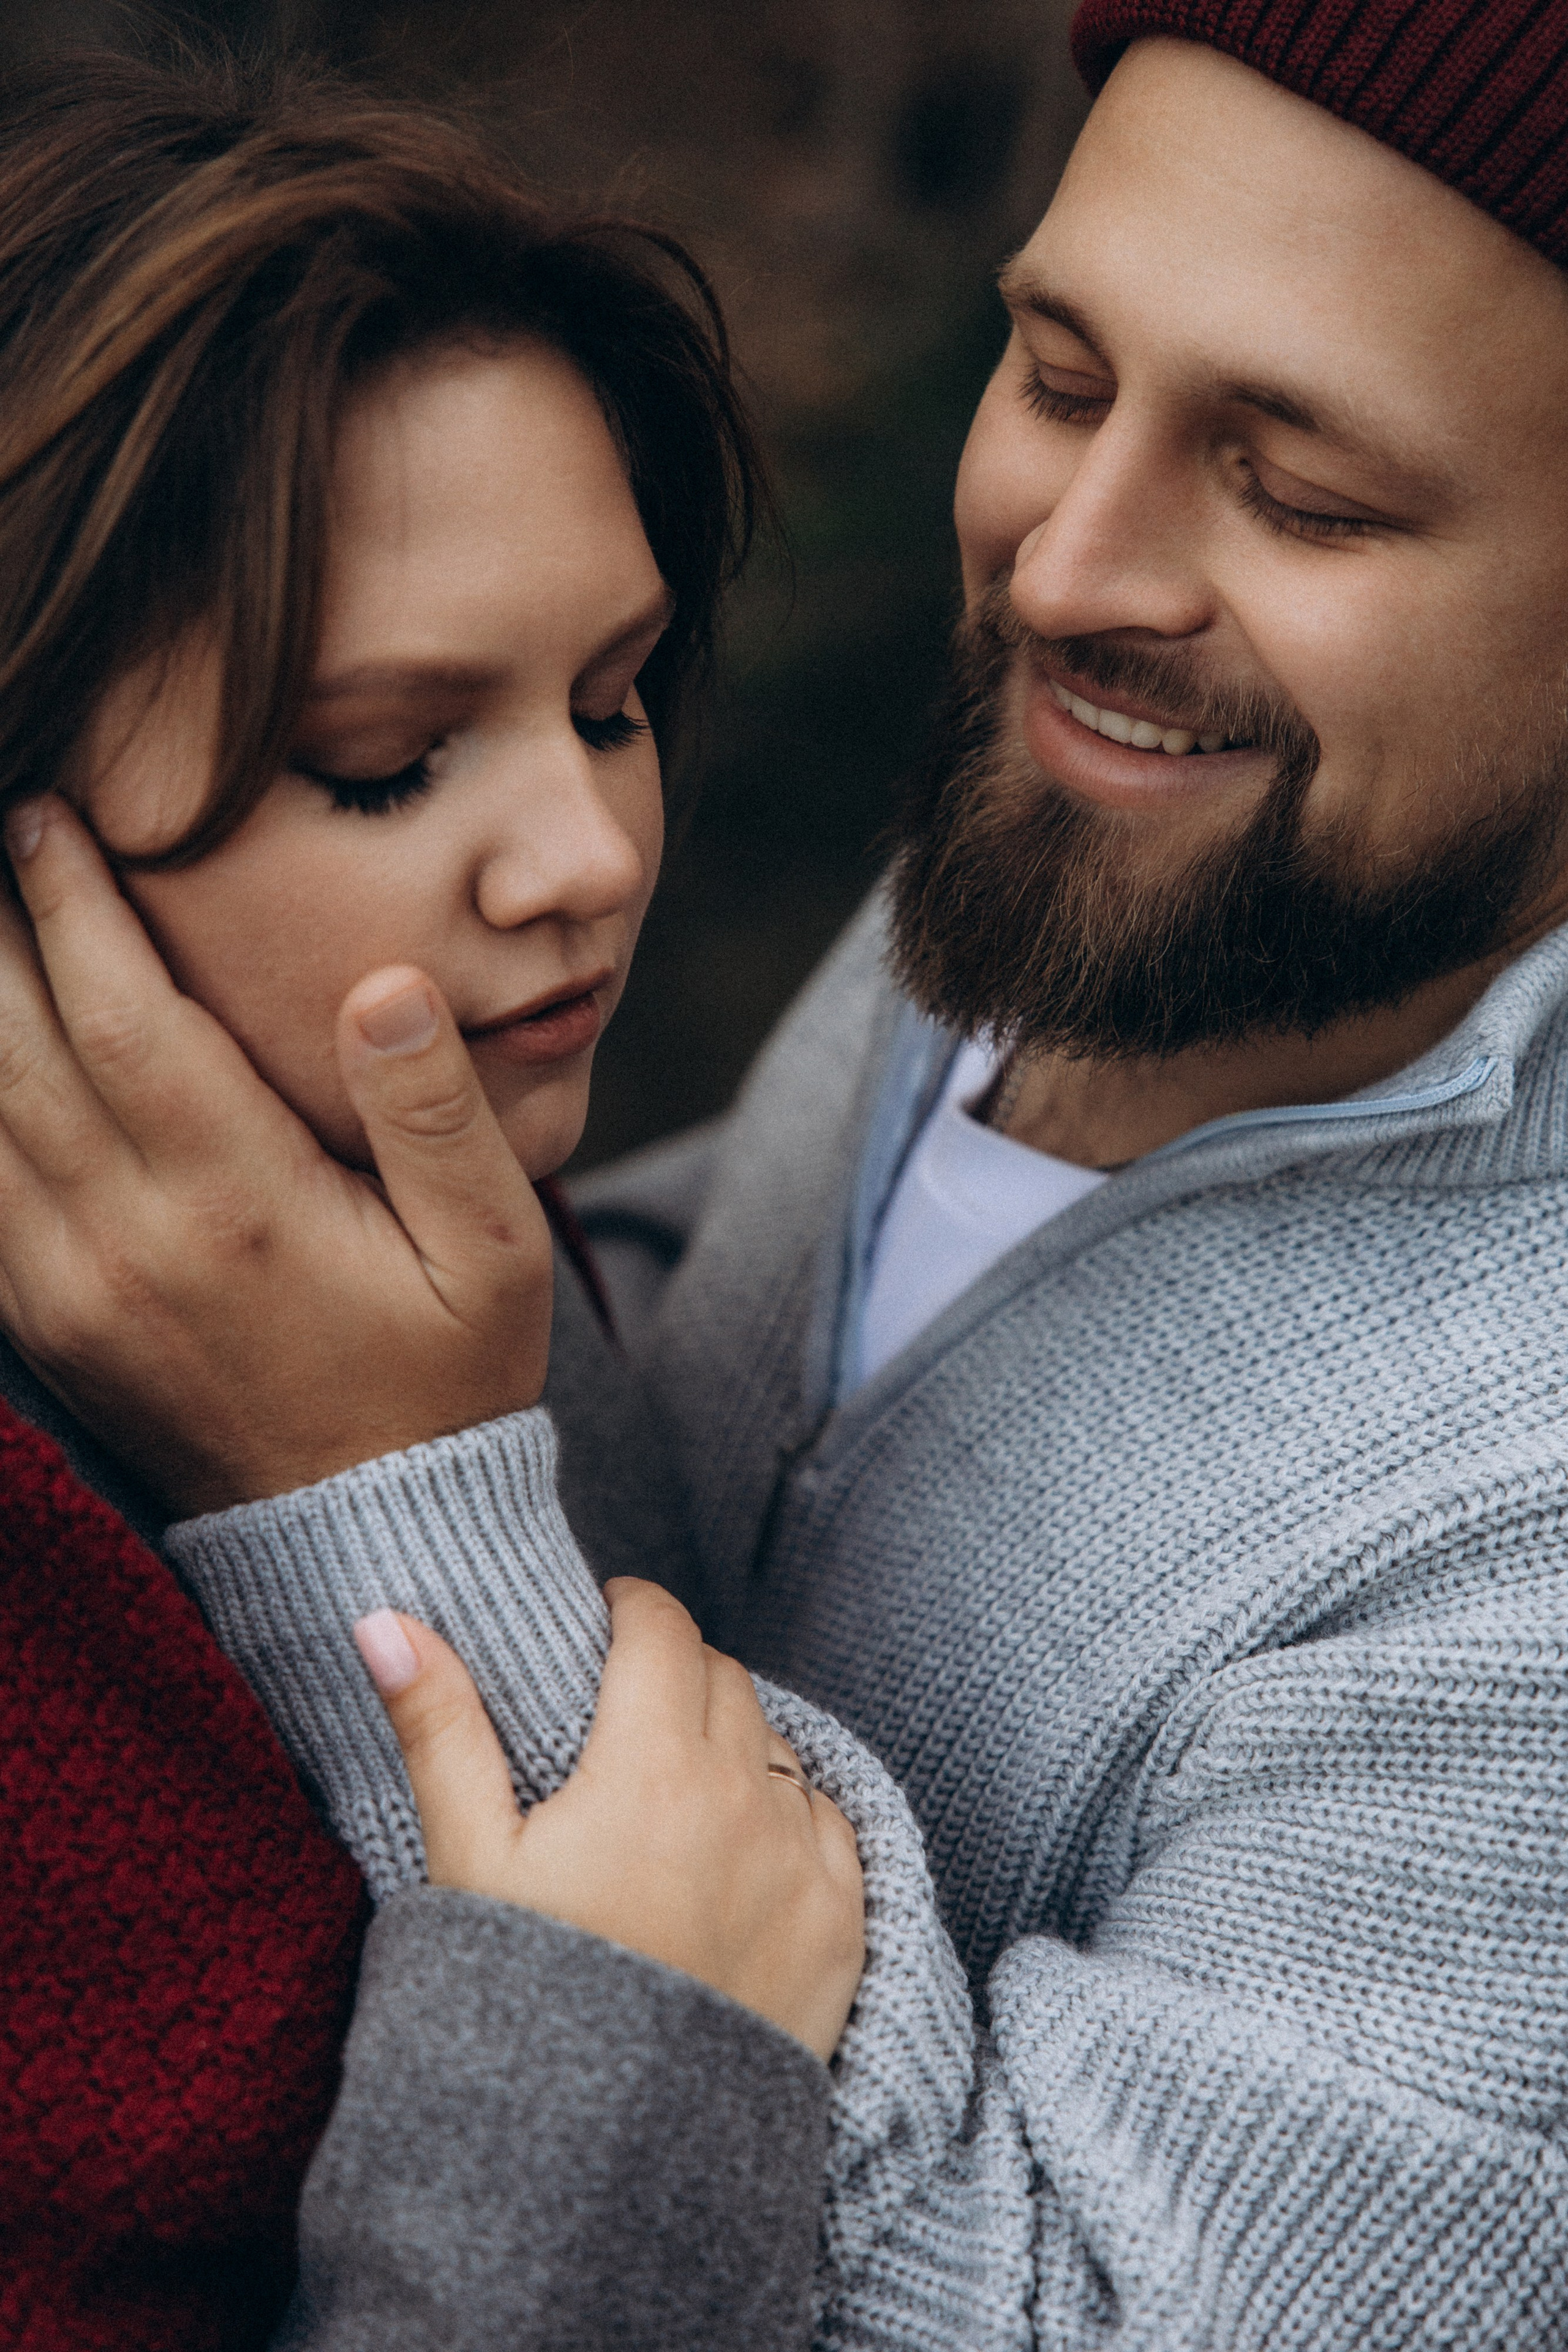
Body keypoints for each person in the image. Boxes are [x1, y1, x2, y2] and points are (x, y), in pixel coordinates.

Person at [6, 1, 1568, 2344]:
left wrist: (388, 1478)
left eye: (1304, 493)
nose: (1063, 574)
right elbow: (796, 1350)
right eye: (1053, 373)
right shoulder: (1126, 823)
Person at [0, 51, 865, 2350]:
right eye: (386, 763)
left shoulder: (446, 1185)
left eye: (612, 700)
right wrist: (605, 2068)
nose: (589, 862)